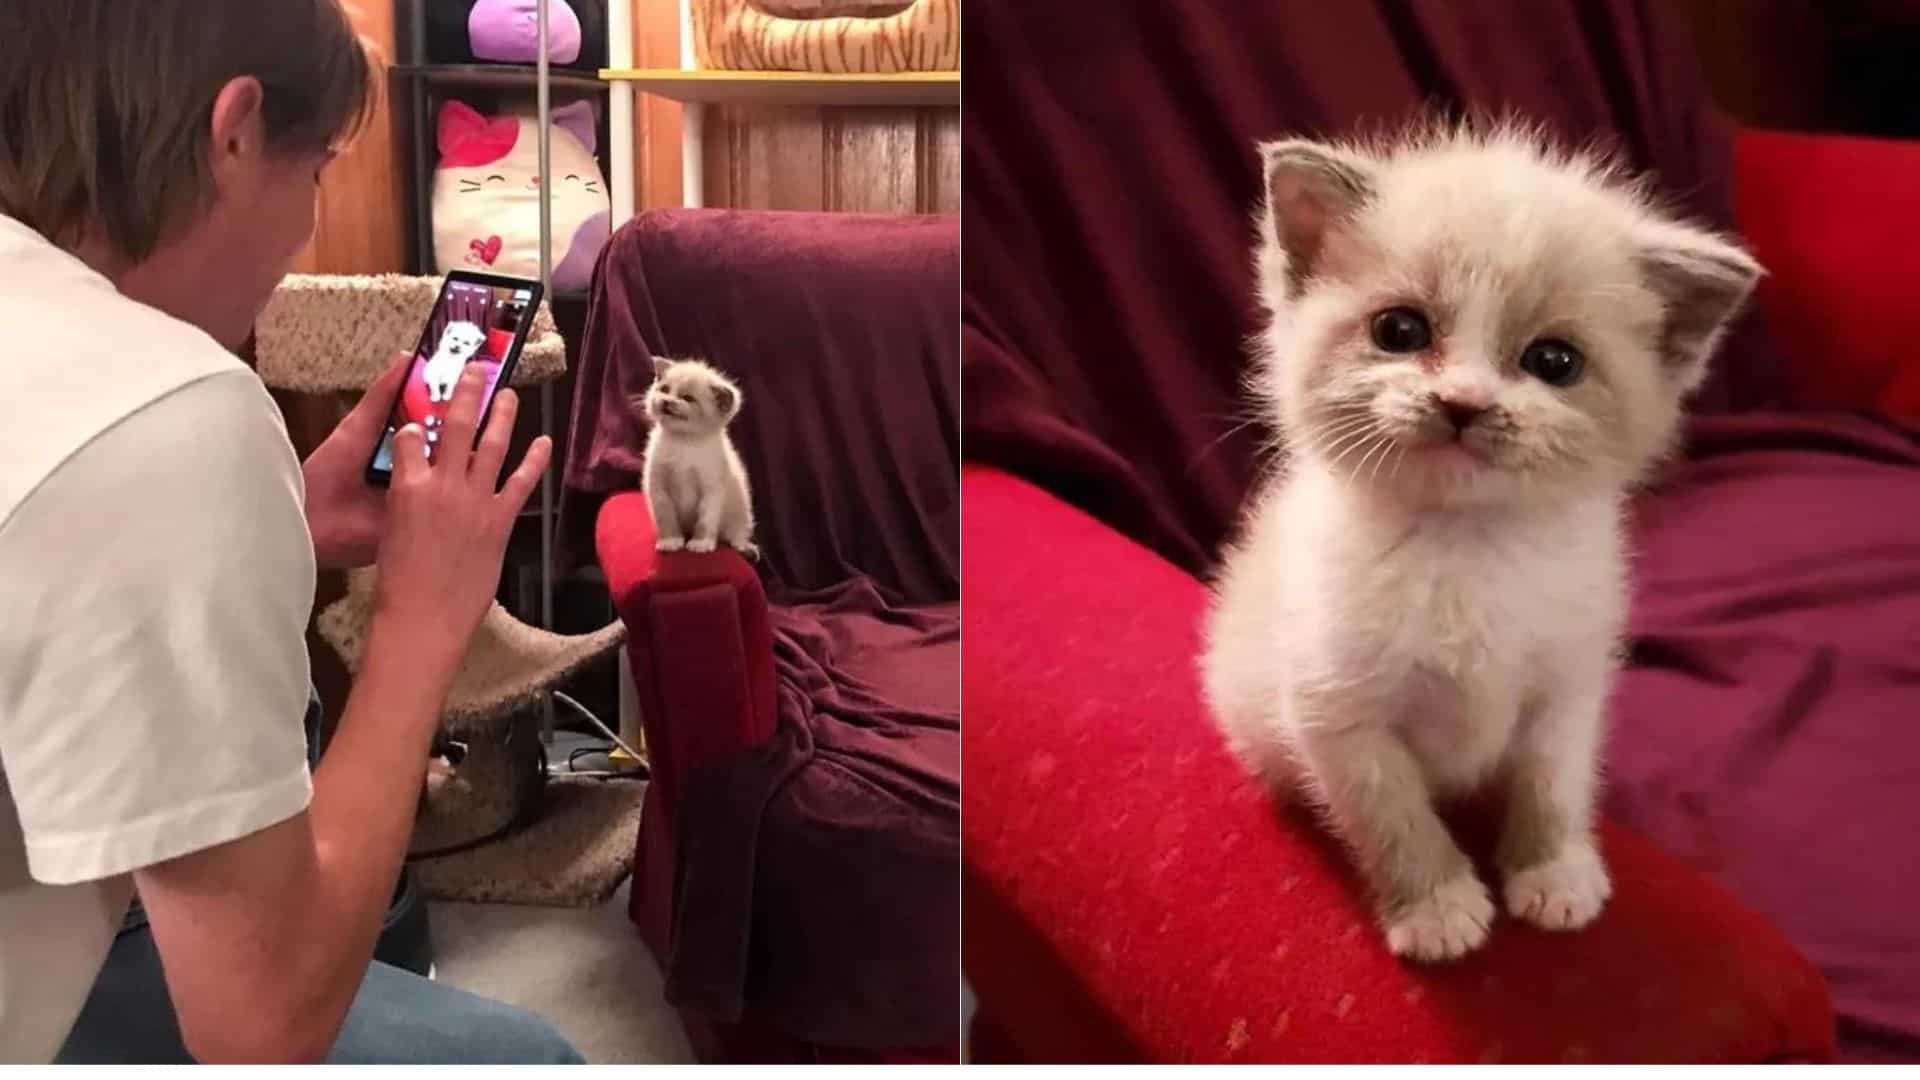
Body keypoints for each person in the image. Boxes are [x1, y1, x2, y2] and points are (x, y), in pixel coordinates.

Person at [0, 0, 582, 1064]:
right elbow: (262, 1032)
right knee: (529, 1059)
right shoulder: (162, 408)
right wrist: (418, 622)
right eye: (314, 173)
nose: (309, 223)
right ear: (233, 133)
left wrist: (284, 529)